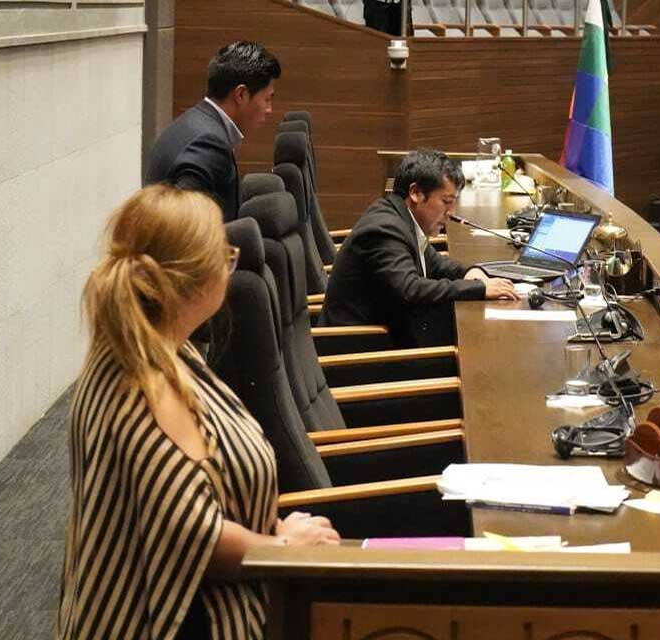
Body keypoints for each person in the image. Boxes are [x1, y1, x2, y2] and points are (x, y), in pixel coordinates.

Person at [57, 185, 340, 640]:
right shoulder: (148, 389)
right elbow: (193, 537)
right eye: (225, 257)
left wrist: (269, 526)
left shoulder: (151, 347)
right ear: (197, 279)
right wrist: (282, 546)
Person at [320, 150, 519, 347]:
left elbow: (434, 262)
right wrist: (478, 289)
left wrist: (468, 272)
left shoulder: (400, 217)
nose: (451, 213)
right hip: (360, 353)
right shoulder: (385, 230)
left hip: (388, 335)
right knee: (482, 348)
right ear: (415, 193)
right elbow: (410, 289)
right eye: (446, 202)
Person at [145, 41, 281, 222]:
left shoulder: (195, 122)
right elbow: (186, 231)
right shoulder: (209, 144)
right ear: (241, 94)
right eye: (267, 99)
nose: (269, 109)